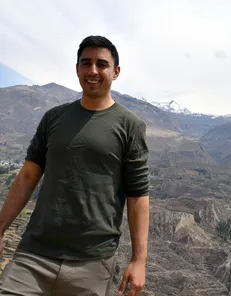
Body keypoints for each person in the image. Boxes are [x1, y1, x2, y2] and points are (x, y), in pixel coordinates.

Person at [0, 35, 150, 296]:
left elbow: (137, 195)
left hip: (93, 264)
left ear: (115, 72)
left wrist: (139, 260)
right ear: (77, 69)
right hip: (34, 255)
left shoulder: (130, 126)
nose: (93, 70)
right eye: (86, 63)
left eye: (101, 64)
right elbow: (26, 178)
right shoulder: (53, 119)